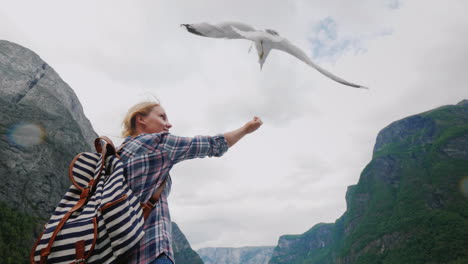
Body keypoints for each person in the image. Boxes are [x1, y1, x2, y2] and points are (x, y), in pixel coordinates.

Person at [118, 101, 263, 264]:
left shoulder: (118, 154)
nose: (169, 124)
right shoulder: (158, 143)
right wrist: (246, 129)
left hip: (118, 255)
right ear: (141, 119)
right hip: (150, 252)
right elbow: (214, 144)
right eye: (162, 117)